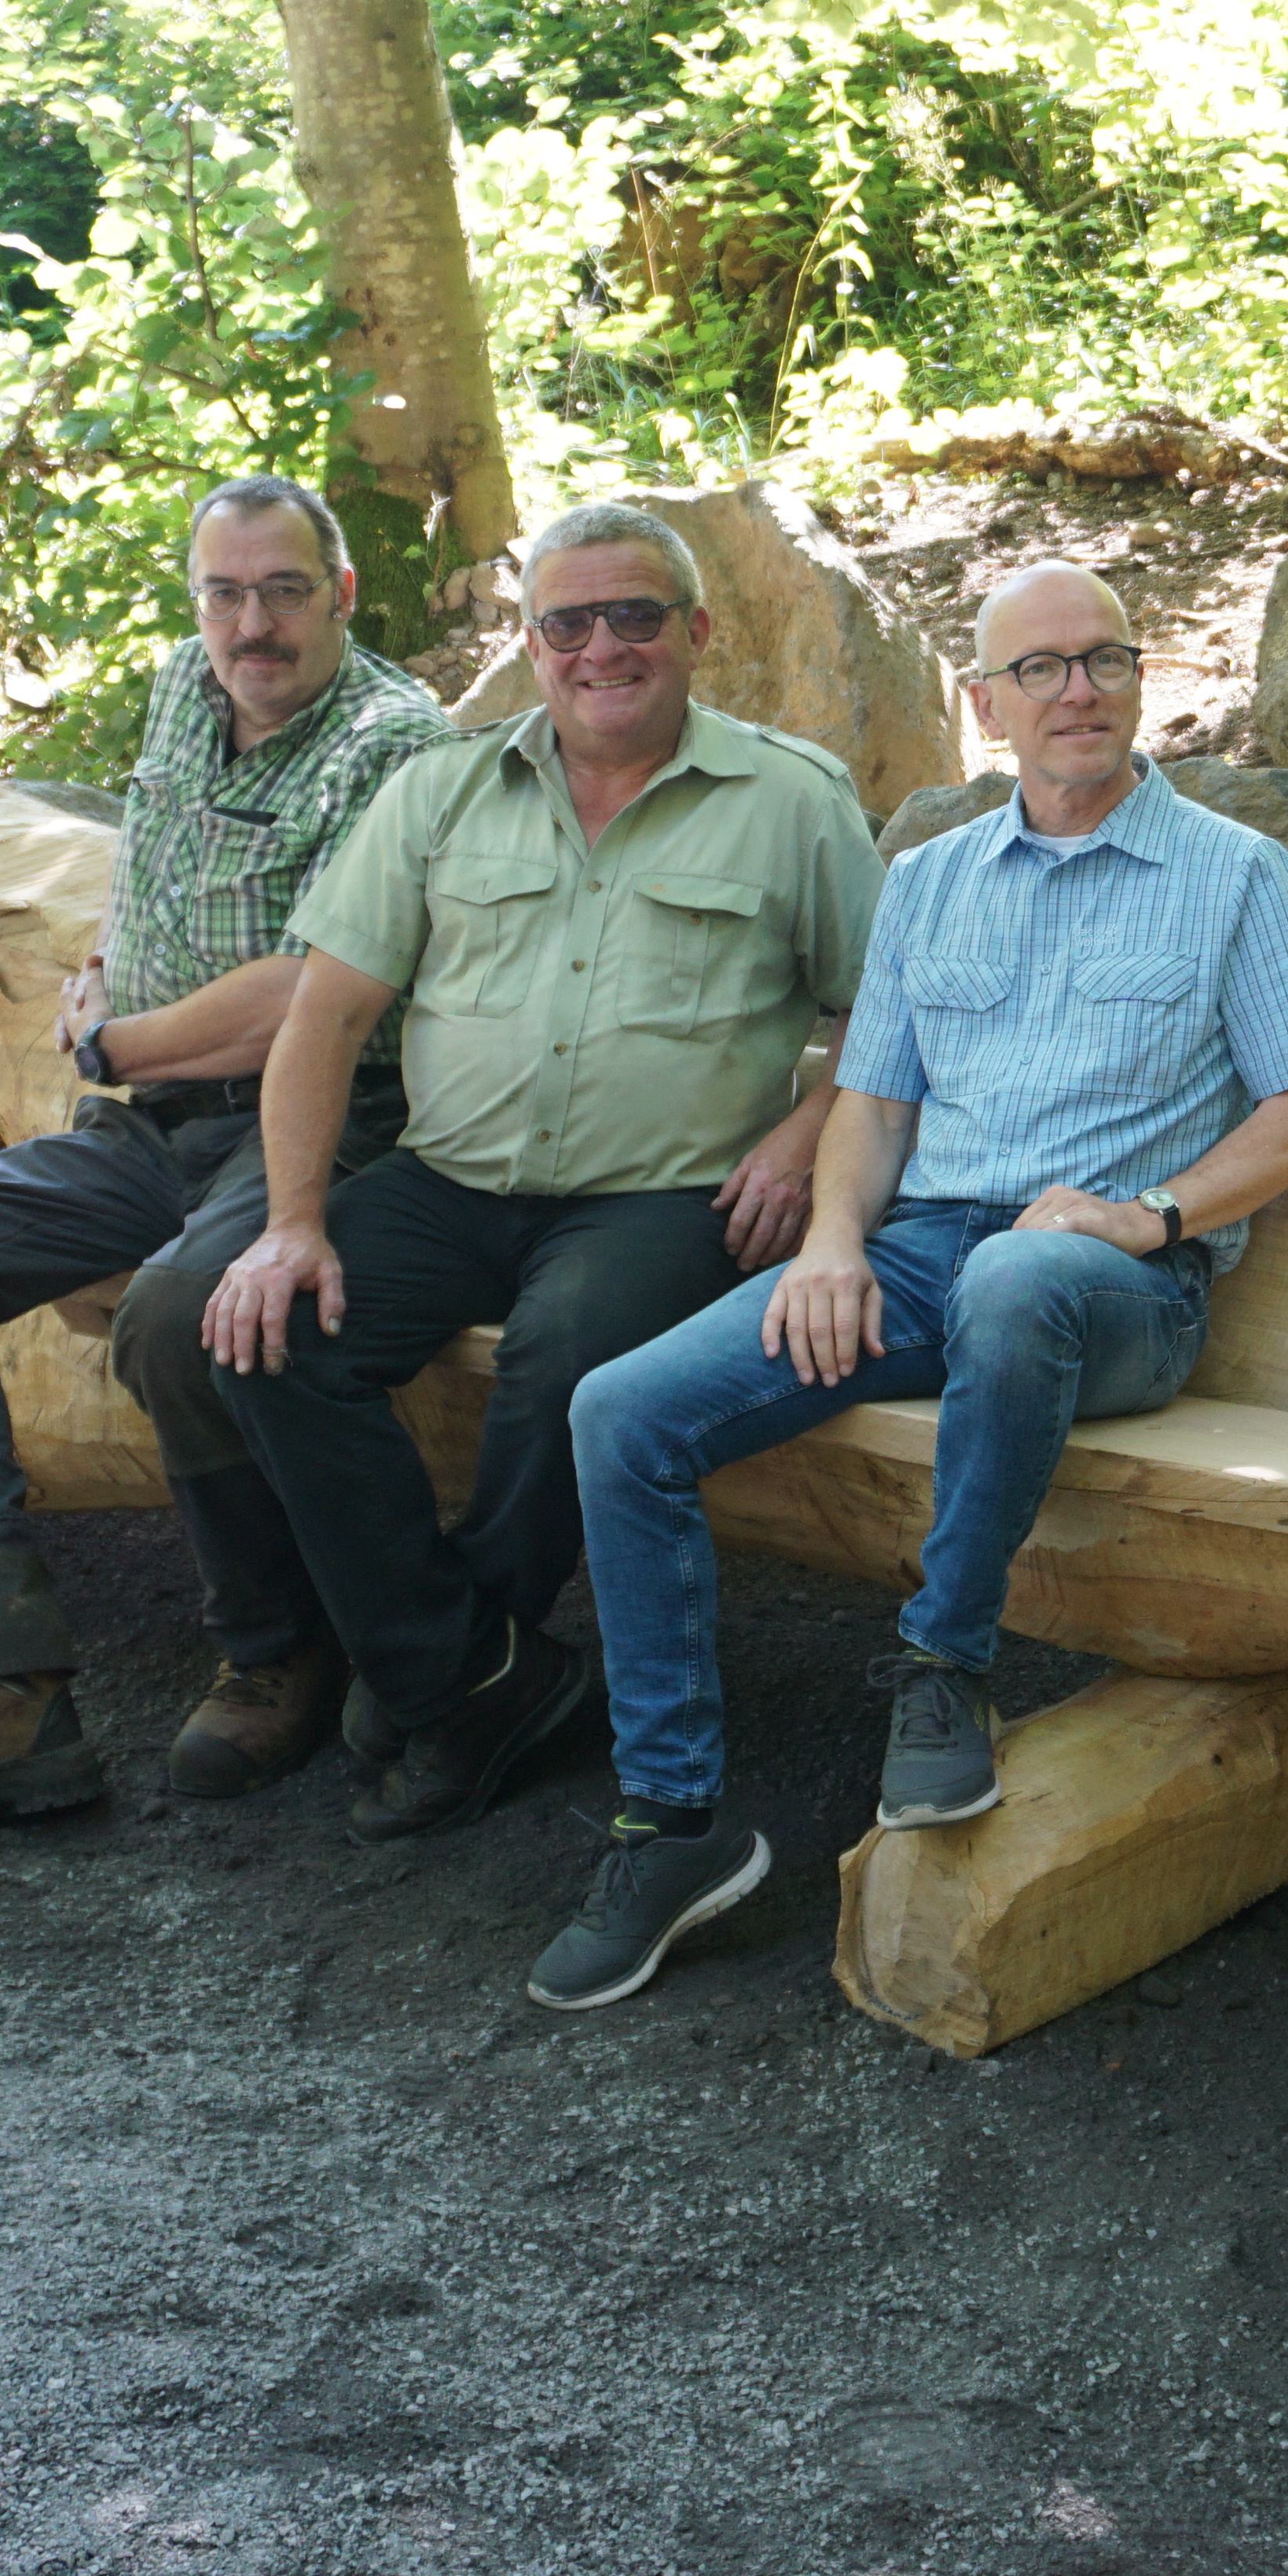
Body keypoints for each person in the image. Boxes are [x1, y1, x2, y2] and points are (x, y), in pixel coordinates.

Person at [527, 561, 1288, 2010]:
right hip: (916, 1258)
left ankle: (944, 1665)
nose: (1078, 691)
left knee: (1021, 1279)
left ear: (1141, 680)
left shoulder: (1236, 873)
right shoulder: (929, 883)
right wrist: (835, 1245)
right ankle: (670, 1823)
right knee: (621, 1411)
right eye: (1039, 670)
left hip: (1116, 1289)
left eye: (1103, 659)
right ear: (985, 706)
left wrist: (1151, 1215)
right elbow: (872, 1105)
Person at [200, 499, 883, 1845]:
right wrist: (290, 1224)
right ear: (530, 643)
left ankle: (445, 1678)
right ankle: (476, 1677)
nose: (601, 648)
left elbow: (887, 1015)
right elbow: (324, 1017)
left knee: (568, 1359)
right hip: (449, 1181)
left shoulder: (792, 802)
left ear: (694, 633)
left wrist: (803, 1139)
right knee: (262, 1338)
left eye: (635, 617)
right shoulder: (441, 791)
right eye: (567, 623)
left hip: (665, 1198)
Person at [0, 476, 447, 1830]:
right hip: (138, 1131)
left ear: (344, 596)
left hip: (312, 1124)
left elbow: (319, 985)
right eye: (224, 592)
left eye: (283, 591)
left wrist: (118, 1043)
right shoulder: (180, 689)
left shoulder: (398, 745)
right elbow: (148, 870)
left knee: (182, 1311)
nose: (251, 625)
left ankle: (275, 1652)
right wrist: (99, 976)